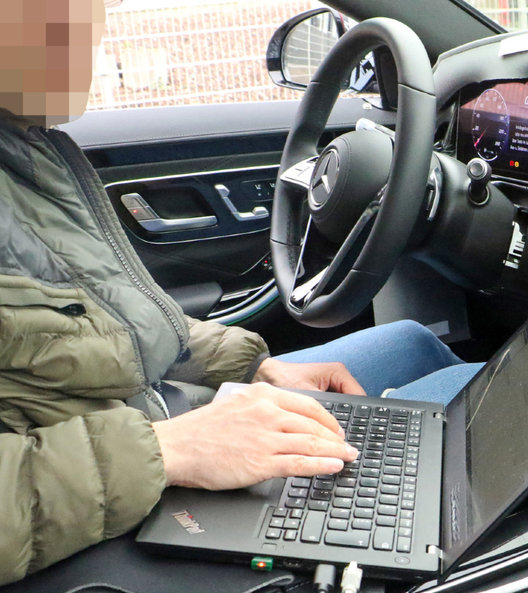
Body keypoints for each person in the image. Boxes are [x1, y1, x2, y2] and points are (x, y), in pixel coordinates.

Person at [0, 0, 479, 584]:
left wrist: (251, 367)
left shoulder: (22, 149)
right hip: (98, 515)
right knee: (469, 421)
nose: (81, 25)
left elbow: (97, 325)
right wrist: (170, 450)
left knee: (412, 346)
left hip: (139, 423)